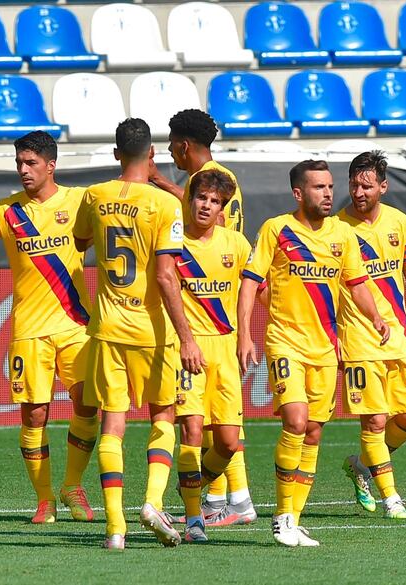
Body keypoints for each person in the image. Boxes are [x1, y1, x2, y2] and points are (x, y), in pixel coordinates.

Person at [237, 159, 390, 547]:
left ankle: (294, 519)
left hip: (325, 348)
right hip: (285, 341)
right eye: (318, 187)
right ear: (298, 193)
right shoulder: (277, 229)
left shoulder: (342, 234)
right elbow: (251, 283)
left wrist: (376, 318)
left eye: (329, 187)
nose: (328, 193)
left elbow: (356, 284)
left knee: (314, 432)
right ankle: (281, 518)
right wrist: (244, 335)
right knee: (296, 420)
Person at [73, 118, 205, 550]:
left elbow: (79, 240)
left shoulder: (95, 195)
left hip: (108, 328)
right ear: (153, 156)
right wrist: (187, 337)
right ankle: (151, 501)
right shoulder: (165, 205)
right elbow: (167, 276)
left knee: (113, 422)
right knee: (163, 415)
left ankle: (114, 528)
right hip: (153, 332)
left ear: (116, 154)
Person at [0, 131, 97, 524]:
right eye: (19, 163)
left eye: (31, 163)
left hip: (75, 324)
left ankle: (73, 485)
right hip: (29, 330)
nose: (23, 170)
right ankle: (45, 499)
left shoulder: (80, 200)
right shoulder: (5, 210)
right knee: (34, 416)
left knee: (89, 403)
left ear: (51, 165)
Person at [150, 108, 254, 523]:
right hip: (213, 310)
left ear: (183, 144)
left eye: (173, 143)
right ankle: (221, 502)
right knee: (205, 426)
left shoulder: (205, 181)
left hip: (216, 301)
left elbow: (214, 225)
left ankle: (229, 499)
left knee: (220, 428)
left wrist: (162, 185)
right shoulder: (223, 177)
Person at [337, 151, 406, 519]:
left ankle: (361, 466)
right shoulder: (337, 228)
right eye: (354, 184)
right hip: (357, 336)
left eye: (366, 185)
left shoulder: (398, 221)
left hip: (397, 334)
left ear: (384, 186)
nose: (359, 191)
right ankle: (391, 497)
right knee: (375, 420)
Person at [172, 169, 252, 543]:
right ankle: (193, 519)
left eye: (214, 201)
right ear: (190, 199)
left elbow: (248, 293)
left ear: (222, 208)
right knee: (190, 430)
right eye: (201, 197)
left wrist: (247, 336)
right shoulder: (172, 242)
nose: (206, 205)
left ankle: (194, 482)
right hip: (186, 348)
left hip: (226, 349)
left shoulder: (235, 244)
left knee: (228, 442)